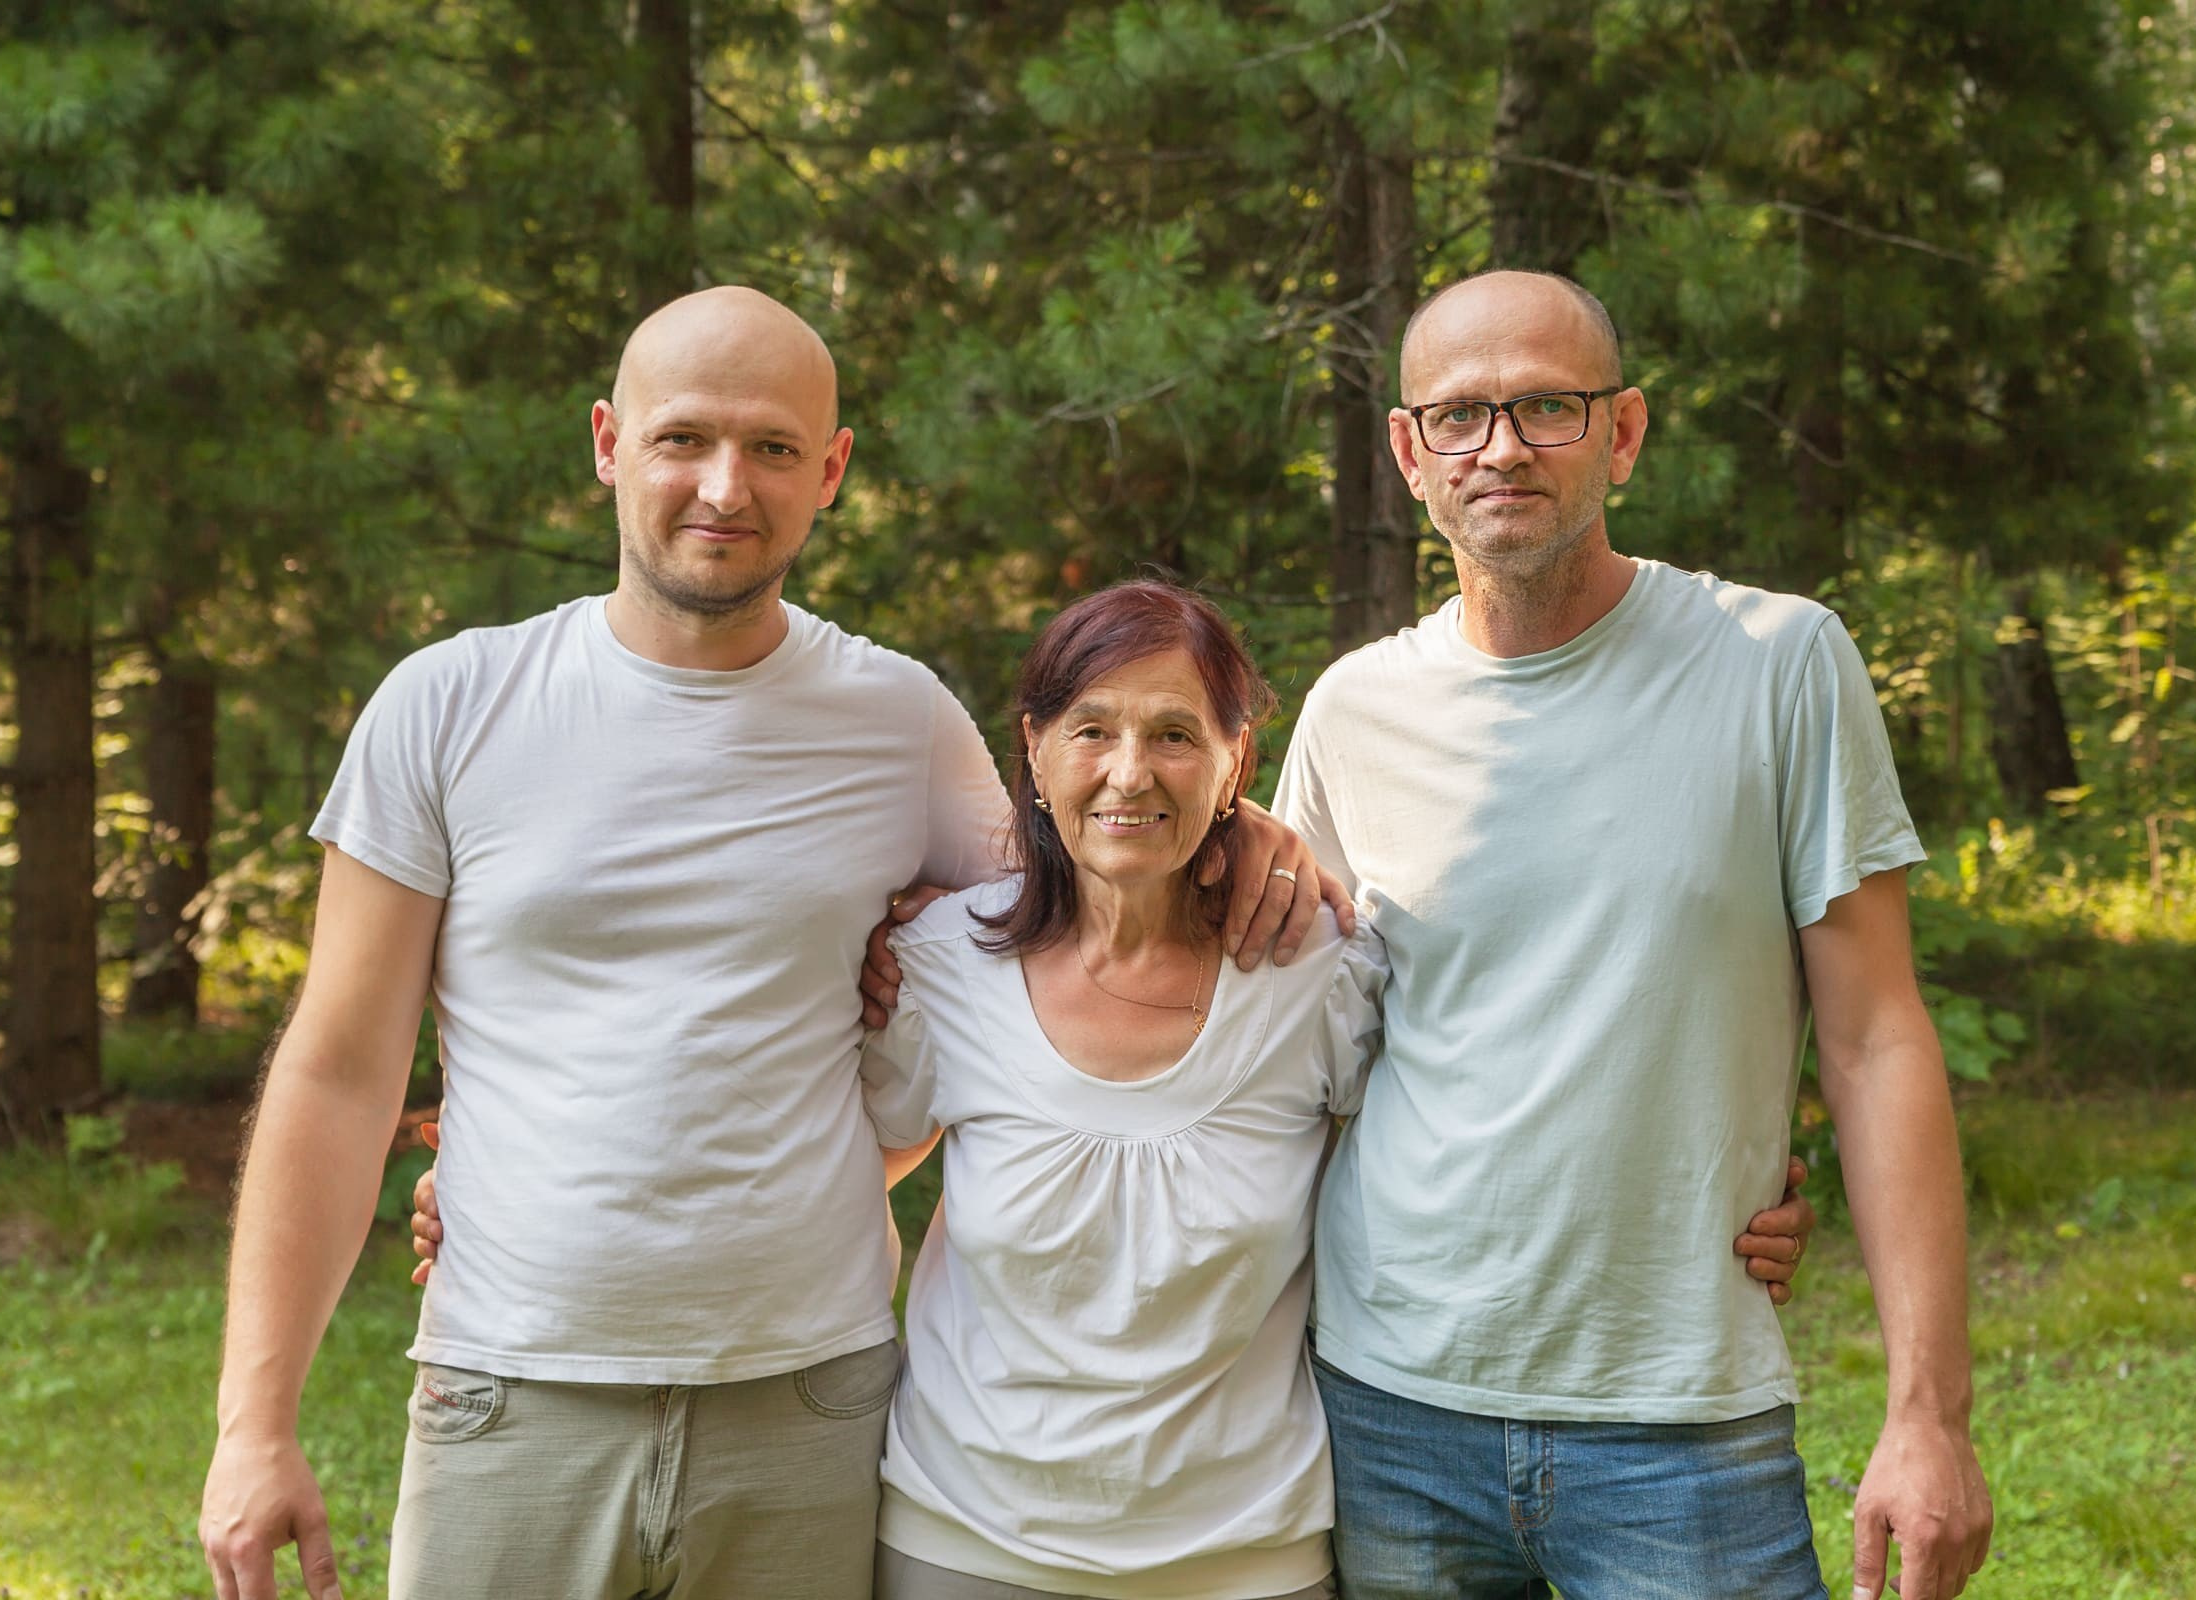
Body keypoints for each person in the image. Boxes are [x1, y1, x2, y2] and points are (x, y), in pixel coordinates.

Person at [196, 287, 1339, 1600]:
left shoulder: (897, 721)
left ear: (832, 471)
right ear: (608, 442)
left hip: (809, 1407)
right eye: (684, 438)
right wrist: (254, 1426)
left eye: (775, 448)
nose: (724, 485)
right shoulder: (449, 707)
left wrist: (1244, 836)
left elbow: (1085, 905)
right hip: (514, 1391)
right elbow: (337, 1072)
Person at [414, 580, 1817, 1599]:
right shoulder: (939, 966)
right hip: (964, 1542)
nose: (1129, 773)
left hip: (1247, 1555)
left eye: (1173, 735)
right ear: (1030, 749)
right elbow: (808, 1139)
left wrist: (1736, 1174)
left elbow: (1484, 1110)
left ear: (1235, 764)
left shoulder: (1315, 975)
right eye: (1091, 730)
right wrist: (500, 1188)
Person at [1271, 270, 1995, 1600]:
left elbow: (1879, 1037)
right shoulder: (1354, 713)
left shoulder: (1778, 664)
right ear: (1407, 452)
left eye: (1548, 405)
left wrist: (1928, 1414)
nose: (1502, 447)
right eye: (1462, 416)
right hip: (1388, 1415)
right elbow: (1290, 1059)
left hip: (1682, 1422)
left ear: (1626, 431)